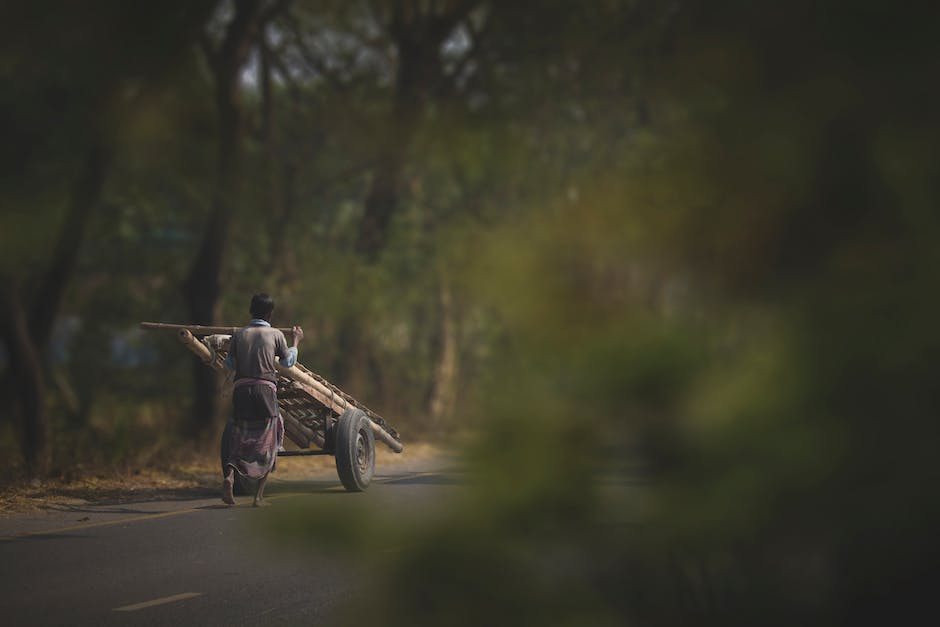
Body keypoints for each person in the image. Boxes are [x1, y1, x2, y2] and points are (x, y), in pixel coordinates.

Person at [221, 293, 303, 506]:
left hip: (241, 390)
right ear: (269, 313)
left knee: (239, 435)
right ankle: (258, 497)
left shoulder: (239, 334)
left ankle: (229, 476)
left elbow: (228, 365)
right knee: (270, 439)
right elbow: (287, 363)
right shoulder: (275, 334)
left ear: (251, 311)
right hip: (264, 390)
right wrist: (295, 341)